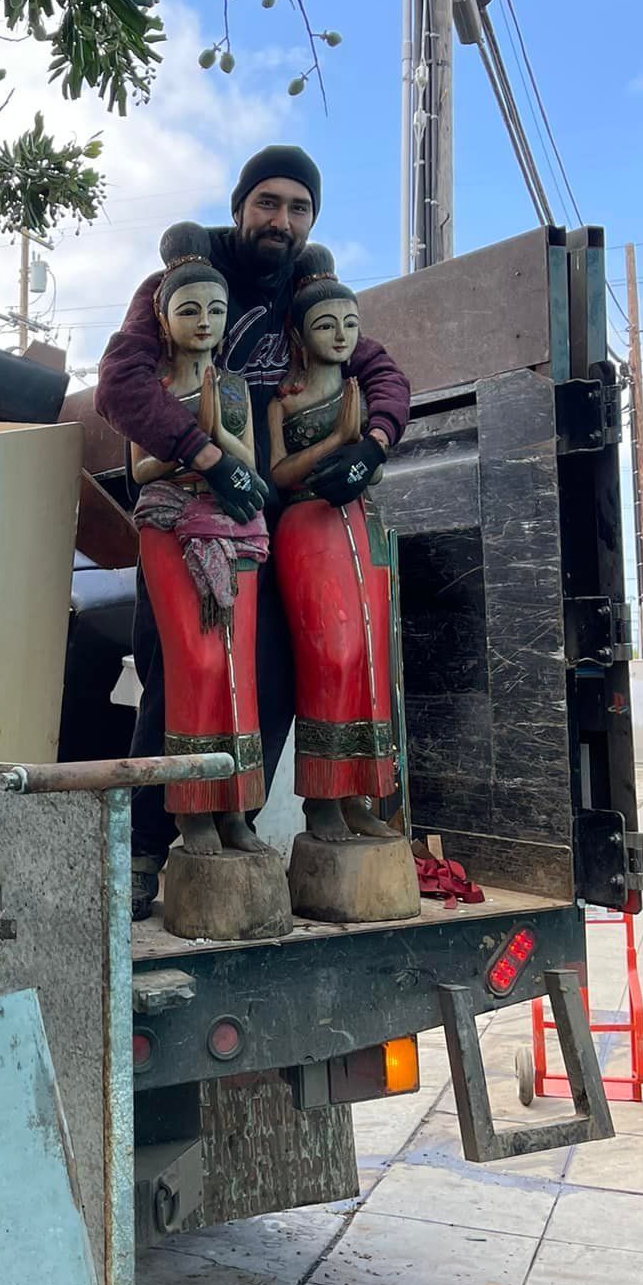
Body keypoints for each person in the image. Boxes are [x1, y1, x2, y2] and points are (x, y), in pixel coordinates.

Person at [96, 144, 411, 917]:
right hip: (191, 513)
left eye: (299, 207)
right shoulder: (175, 287)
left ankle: (232, 822)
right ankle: (144, 851)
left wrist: (372, 446)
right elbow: (122, 383)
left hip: (281, 520)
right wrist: (202, 451)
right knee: (180, 672)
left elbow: (383, 375)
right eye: (267, 202)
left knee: (270, 679)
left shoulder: (309, 296)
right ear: (241, 206)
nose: (281, 219)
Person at [129, 223, 272, 858]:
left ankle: (238, 807)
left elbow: (252, 463)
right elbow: (140, 469)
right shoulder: (152, 392)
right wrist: (198, 450)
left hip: (233, 529)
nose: (206, 321)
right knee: (196, 664)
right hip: (169, 527)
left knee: (239, 665)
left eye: (216, 310)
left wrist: (218, 437)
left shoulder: (236, 386)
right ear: (164, 319)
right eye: (190, 310)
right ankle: (192, 812)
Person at [267, 247, 400, 847]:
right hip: (307, 530)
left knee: (371, 659)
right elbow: (279, 474)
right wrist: (338, 442)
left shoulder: (363, 392)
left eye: (350, 324)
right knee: (331, 657)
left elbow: (371, 470)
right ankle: (321, 800)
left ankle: (360, 794)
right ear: (298, 334)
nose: (341, 336)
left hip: (360, 527)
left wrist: (365, 450)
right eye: (326, 325)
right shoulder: (284, 400)